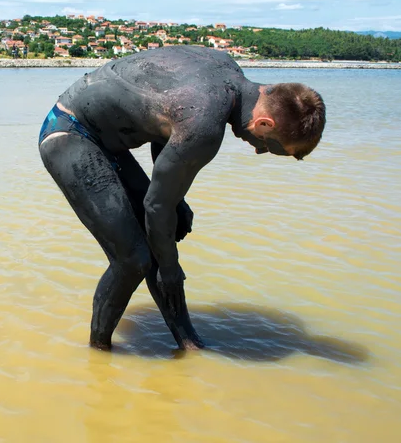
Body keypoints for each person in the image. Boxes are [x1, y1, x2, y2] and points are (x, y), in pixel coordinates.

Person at [38, 45, 326, 351]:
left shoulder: (224, 67)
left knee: (162, 236)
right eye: (269, 146)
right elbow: (155, 206)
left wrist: (175, 200)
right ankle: (99, 352)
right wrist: (172, 269)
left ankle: (188, 344)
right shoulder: (205, 125)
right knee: (133, 259)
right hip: (69, 134)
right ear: (264, 124)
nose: (258, 150)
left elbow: (166, 128)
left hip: (104, 137)